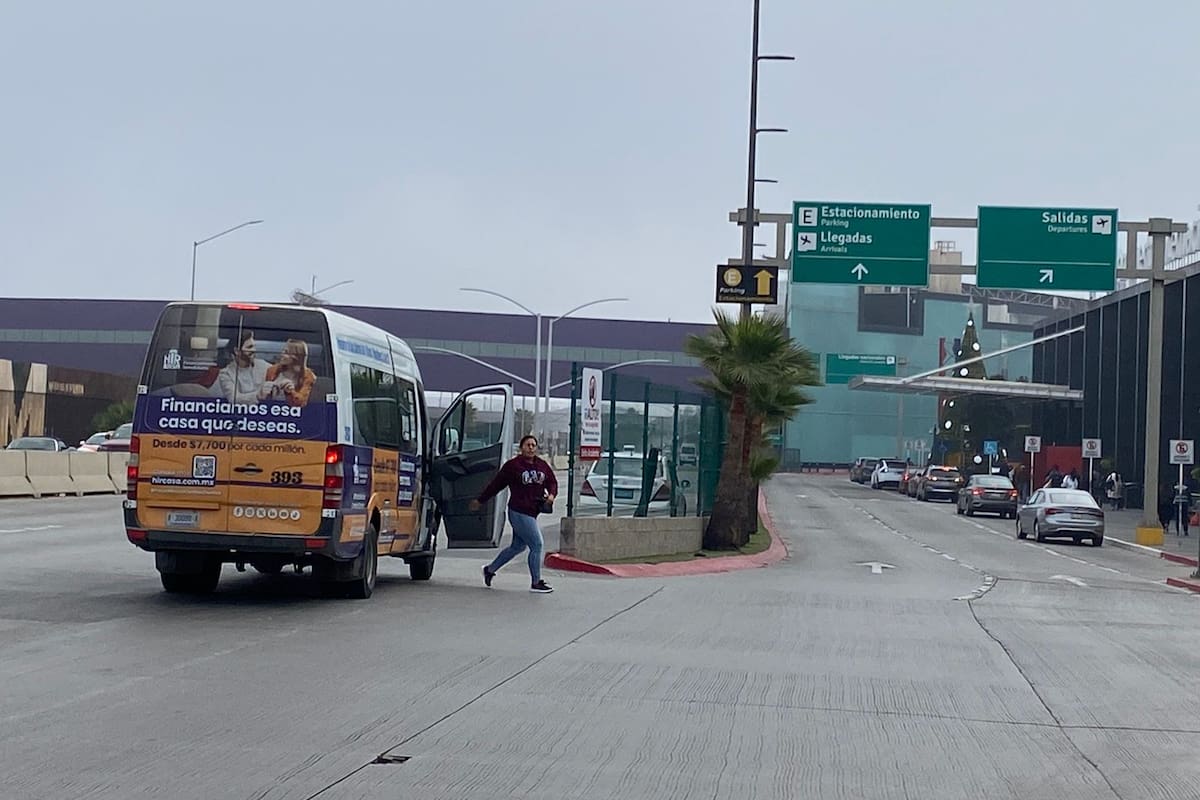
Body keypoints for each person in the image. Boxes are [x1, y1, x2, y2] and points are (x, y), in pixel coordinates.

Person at [470, 434, 558, 593]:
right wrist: (481, 500)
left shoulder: (542, 465)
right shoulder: (513, 466)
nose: (531, 448)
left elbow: (552, 482)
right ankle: (536, 583)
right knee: (537, 544)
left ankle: (489, 570)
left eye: (533, 445)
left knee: (517, 547)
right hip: (518, 510)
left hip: (532, 511)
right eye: (527, 445)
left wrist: (551, 495)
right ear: (521, 448)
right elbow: (496, 485)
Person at [218, 330, 271, 404]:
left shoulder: (264, 366)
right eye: (249, 347)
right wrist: (258, 396)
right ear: (237, 351)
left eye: (254, 346)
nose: (254, 350)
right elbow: (234, 399)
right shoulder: (226, 374)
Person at [264, 338, 317, 407]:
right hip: (273, 410)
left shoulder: (308, 376)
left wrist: (291, 391)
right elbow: (265, 399)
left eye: (286, 353)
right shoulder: (272, 370)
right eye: (283, 351)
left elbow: (301, 403)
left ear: (296, 357)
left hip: (294, 414)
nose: (282, 355)